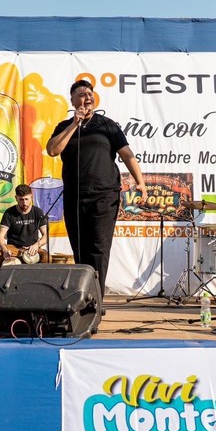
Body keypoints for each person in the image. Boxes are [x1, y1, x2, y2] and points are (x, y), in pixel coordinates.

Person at [46, 79, 147, 296]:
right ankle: (82, 296)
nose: (87, 97)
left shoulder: (107, 125)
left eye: (90, 94)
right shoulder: (64, 126)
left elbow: (127, 154)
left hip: (104, 195)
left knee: (98, 249)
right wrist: (75, 124)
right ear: (72, 100)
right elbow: (53, 150)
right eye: (82, 94)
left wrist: (140, 182)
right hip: (74, 195)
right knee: (80, 248)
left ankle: (96, 299)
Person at [0, 183, 49, 273]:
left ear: (31, 197)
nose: (24, 203)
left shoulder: (37, 212)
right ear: (16, 198)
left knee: (47, 258)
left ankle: (39, 283)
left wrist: (37, 245)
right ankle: (2, 284)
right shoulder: (9, 213)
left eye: (26, 199)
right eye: (21, 199)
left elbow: (46, 235)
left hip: (32, 247)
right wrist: (5, 250)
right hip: (13, 248)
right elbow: (0, 236)